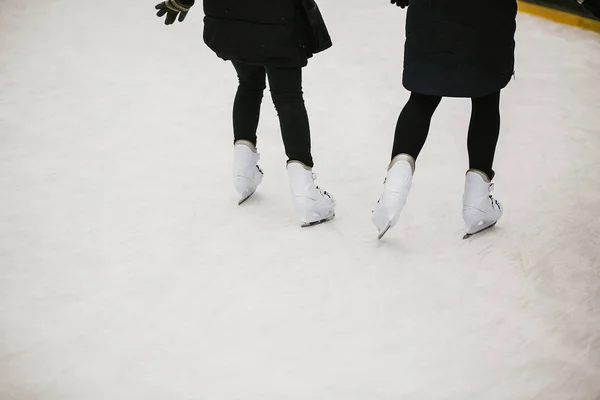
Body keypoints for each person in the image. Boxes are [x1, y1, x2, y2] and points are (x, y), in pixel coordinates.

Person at [155, 0, 335, 227]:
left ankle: (243, 172)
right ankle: (306, 195)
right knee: (288, 96)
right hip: (275, 16)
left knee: (249, 83)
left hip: (230, 14)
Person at [371, 0, 517, 239]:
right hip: (488, 12)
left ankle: (394, 187)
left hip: (432, 8)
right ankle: (477, 200)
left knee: (422, 95)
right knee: (486, 97)